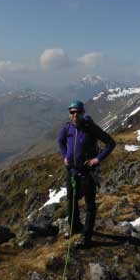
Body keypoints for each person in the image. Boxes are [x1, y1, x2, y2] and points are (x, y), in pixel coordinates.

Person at [58, 100, 116, 248]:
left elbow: (110, 143)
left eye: (78, 112)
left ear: (83, 113)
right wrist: (65, 156)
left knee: (90, 205)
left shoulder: (90, 128)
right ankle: (74, 227)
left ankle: (86, 237)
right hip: (71, 171)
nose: (75, 115)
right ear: (69, 113)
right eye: (72, 112)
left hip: (88, 173)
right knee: (71, 200)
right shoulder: (67, 128)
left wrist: (97, 159)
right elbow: (60, 142)